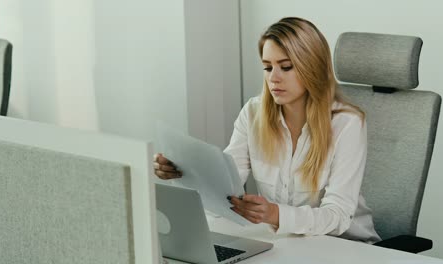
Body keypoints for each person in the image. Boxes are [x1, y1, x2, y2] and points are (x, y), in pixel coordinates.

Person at [154, 17, 380, 243]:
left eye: (286, 67)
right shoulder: (253, 113)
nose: (273, 78)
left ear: (312, 67)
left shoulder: (347, 123)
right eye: (267, 67)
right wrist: (183, 172)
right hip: (288, 244)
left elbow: (338, 215)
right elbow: (225, 186)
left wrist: (275, 214)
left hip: (346, 246)